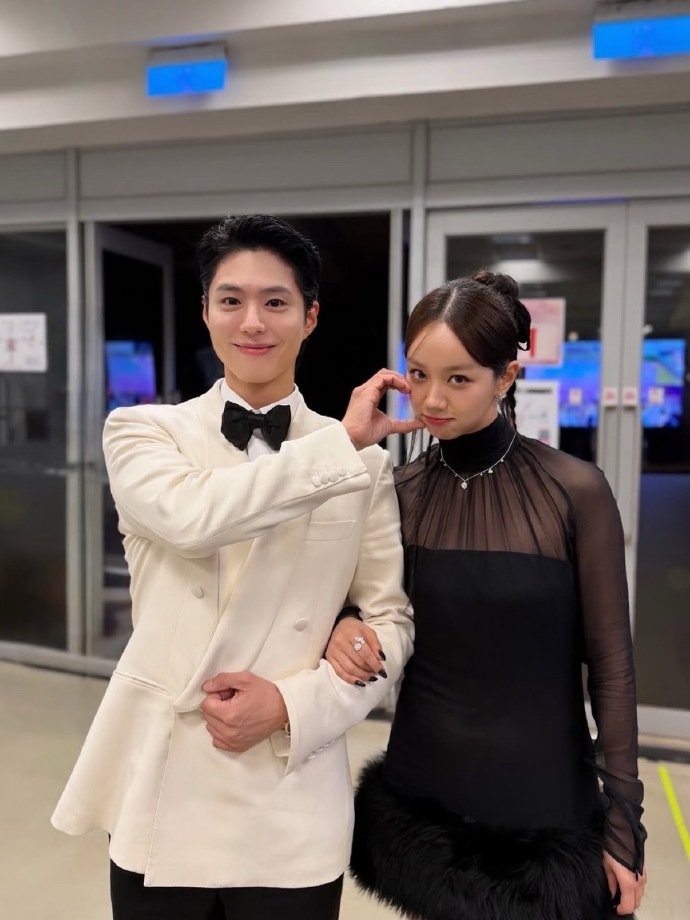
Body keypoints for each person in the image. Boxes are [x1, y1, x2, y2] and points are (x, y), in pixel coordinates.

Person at [51, 214, 417, 920]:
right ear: (205, 312)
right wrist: (338, 447)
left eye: (276, 301)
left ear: (310, 317)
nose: (253, 322)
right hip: (163, 795)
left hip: (291, 796)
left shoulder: (364, 465)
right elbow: (196, 518)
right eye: (231, 300)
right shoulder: (144, 431)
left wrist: (292, 705)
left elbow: (391, 623)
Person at [326, 271, 647, 920]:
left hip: (543, 811)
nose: (432, 399)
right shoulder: (396, 491)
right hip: (422, 805)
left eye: (459, 379)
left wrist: (623, 824)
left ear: (506, 377)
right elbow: (357, 606)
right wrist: (344, 622)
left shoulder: (574, 490)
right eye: (418, 374)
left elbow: (612, 667)